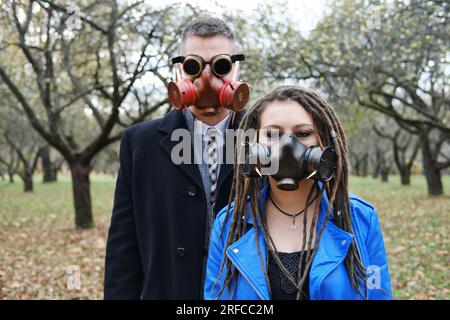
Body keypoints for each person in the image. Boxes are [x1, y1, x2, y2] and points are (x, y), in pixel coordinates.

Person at [104, 17, 247, 299]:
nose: (208, 80)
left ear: (236, 70)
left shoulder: (264, 138)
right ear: (180, 70)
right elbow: (123, 248)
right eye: (194, 66)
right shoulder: (140, 143)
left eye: (221, 66)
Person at [204, 86, 392, 300]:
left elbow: (378, 295)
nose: (287, 147)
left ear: (323, 141)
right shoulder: (229, 223)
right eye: (272, 134)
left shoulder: (360, 219)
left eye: (303, 134)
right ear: (255, 143)